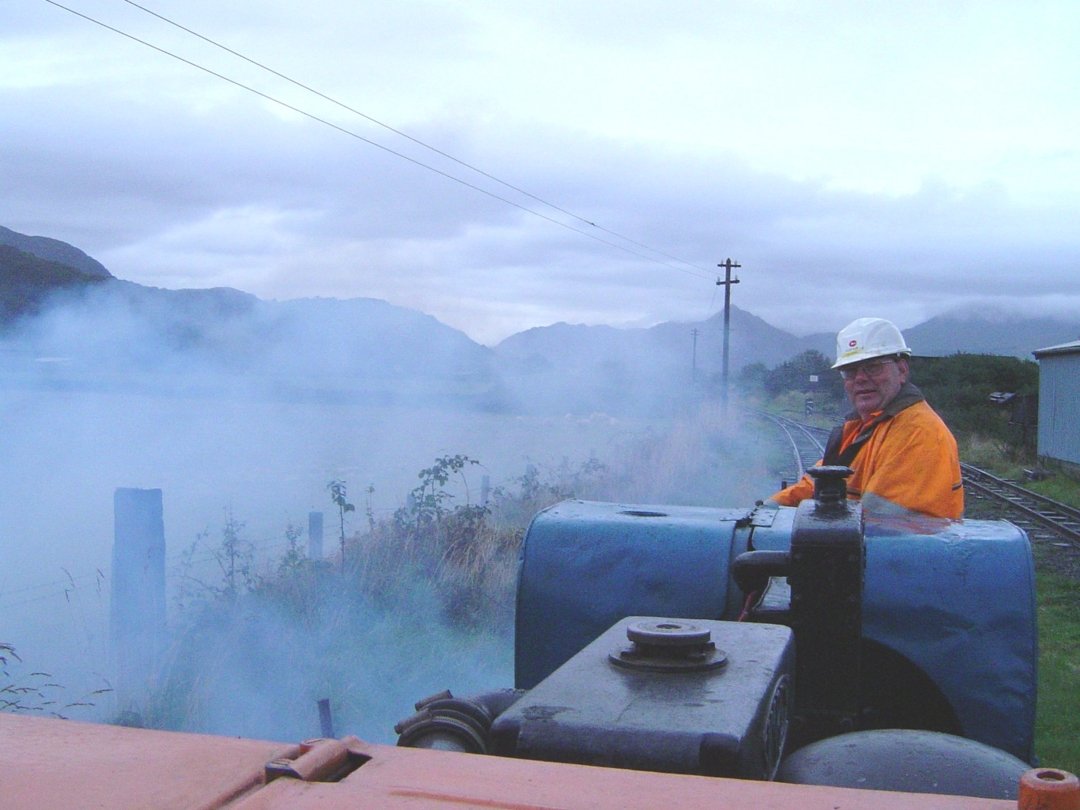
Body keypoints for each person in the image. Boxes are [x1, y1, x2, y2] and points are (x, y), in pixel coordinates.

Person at [768, 317, 964, 520]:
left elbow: (885, 527)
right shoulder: (864, 427)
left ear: (902, 370)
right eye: (850, 371)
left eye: (873, 367)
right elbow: (818, 485)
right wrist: (768, 510)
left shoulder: (918, 432)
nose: (860, 378)